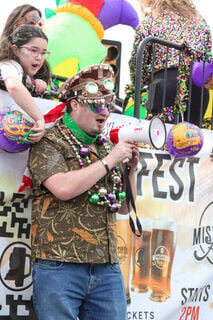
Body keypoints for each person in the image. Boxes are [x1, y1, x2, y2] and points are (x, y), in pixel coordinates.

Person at [28, 63, 139, 320]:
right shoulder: (49, 140)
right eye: (97, 105)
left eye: (108, 106)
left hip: (106, 266)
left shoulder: (104, 146)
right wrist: (110, 161)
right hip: (60, 264)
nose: (105, 112)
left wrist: (131, 171)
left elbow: (124, 208)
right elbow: (63, 188)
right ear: (75, 104)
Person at [128, 0, 212, 125]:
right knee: (192, 136)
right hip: (197, 86)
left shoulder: (152, 19)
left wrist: (140, 81)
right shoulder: (199, 21)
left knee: (161, 135)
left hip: (165, 83)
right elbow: (206, 54)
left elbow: (138, 61)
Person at [0, 25, 51, 143]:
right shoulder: (9, 65)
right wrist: (39, 119)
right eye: (34, 50)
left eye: (43, 53)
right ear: (16, 50)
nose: (39, 57)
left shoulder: (27, 76)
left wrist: (37, 85)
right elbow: (14, 86)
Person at [0, 4, 50, 84]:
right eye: (31, 23)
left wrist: (38, 83)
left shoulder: (41, 63)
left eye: (40, 24)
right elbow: (14, 86)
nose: (37, 27)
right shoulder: (7, 62)